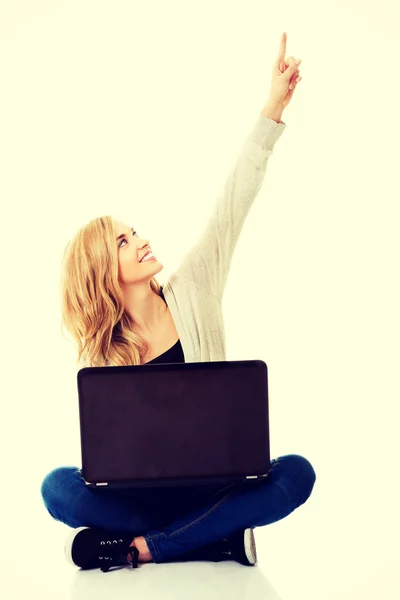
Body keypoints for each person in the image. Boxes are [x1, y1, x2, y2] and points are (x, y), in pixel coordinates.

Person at [40, 32, 315, 573]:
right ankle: (216, 541)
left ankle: (150, 547)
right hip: (147, 500)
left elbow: (232, 202)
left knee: (297, 472)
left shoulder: (194, 288)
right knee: (56, 489)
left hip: (217, 484)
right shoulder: (104, 355)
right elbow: (107, 464)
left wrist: (272, 110)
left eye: (133, 230)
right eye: (123, 241)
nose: (140, 239)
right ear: (103, 272)